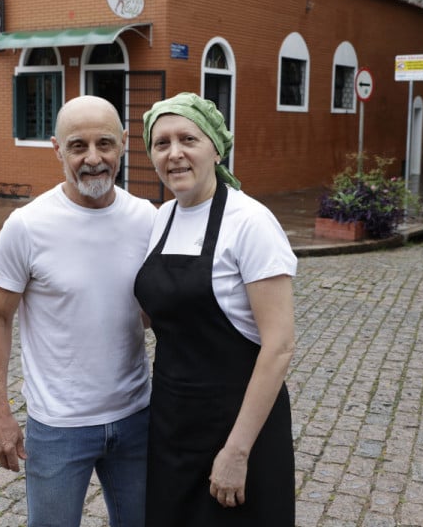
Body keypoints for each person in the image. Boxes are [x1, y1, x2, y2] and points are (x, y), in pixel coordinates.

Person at [0, 95, 156, 527]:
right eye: (78, 146)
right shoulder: (27, 225)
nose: (93, 158)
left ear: (124, 145)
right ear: (57, 149)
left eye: (105, 144)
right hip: (58, 427)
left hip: (137, 418)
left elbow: (159, 314)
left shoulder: (148, 219)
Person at [134, 92, 296, 526]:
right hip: (172, 421)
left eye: (188, 138)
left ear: (217, 147)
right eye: (161, 142)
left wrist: (237, 451)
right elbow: (157, 313)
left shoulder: (251, 222)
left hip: (239, 425)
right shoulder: (162, 217)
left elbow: (278, 346)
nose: (175, 153)